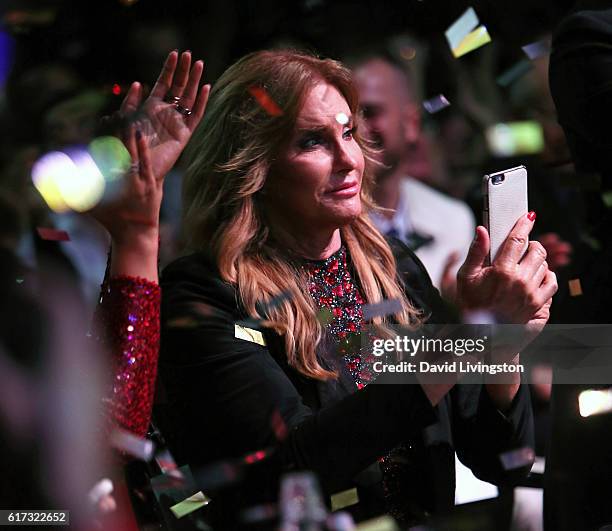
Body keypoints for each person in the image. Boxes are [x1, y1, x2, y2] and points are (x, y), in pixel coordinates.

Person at [149, 49, 557, 527]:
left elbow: (500, 458)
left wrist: (501, 344)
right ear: (254, 166)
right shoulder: (206, 293)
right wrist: (473, 336)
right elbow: (294, 465)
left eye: (347, 133)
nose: (348, 158)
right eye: (312, 142)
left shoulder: (394, 267)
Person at [352, 54, 476, 299]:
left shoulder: (453, 220)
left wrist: (461, 314)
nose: (356, 129)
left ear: (410, 123)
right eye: (347, 116)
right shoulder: (319, 230)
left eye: (369, 112)